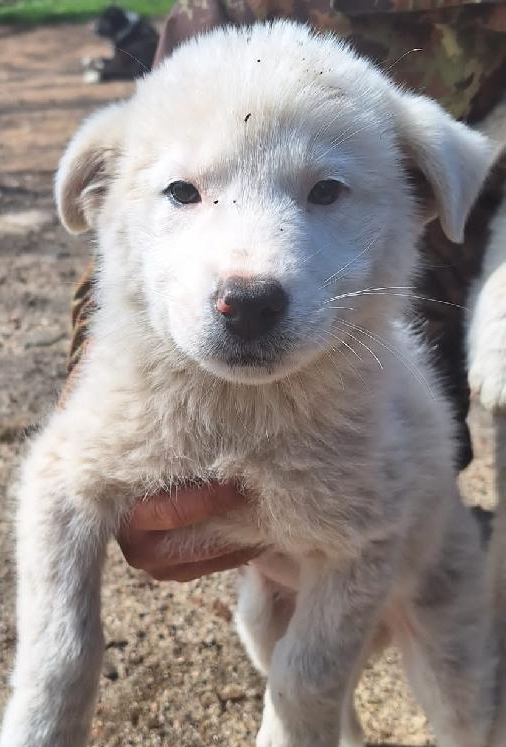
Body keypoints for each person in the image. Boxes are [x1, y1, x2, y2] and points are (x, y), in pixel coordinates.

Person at [67, 0, 506, 583]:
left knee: (402, 550)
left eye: (323, 191)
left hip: (394, 335)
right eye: (189, 192)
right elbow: (140, 196)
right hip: (362, 345)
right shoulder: (228, 22)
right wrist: (99, 399)